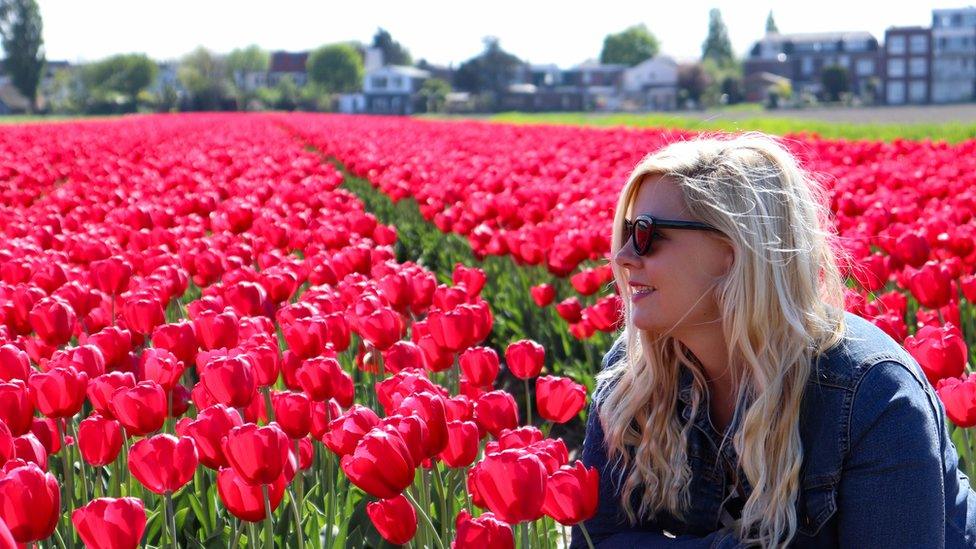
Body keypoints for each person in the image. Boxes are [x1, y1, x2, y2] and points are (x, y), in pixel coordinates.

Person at [569, 132, 976, 548]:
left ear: (734, 250)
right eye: (624, 230)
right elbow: (595, 540)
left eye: (647, 233)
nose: (622, 256)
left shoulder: (870, 395)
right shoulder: (638, 371)